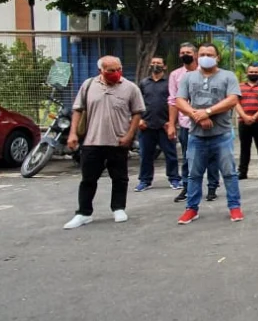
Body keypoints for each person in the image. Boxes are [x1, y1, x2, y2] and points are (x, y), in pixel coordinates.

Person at [63, 56, 145, 229]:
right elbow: (77, 110)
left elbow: (137, 112)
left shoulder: (130, 88)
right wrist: (73, 134)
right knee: (88, 179)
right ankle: (83, 213)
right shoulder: (88, 85)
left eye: (118, 69)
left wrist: (130, 135)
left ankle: (118, 208)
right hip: (92, 141)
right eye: (111, 70)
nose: (116, 73)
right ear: (101, 70)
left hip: (118, 141)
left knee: (120, 177)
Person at [174, 43, 244, 224]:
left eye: (210, 54)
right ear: (198, 57)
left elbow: (232, 100)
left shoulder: (228, 76)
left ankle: (235, 207)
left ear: (217, 57)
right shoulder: (188, 78)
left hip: (222, 134)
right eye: (203, 54)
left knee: (229, 173)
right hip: (196, 135)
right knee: (194, 175)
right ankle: (191, 209)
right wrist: (197, 116)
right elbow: (179, 101)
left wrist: (208, 112)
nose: (206, 56)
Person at [168, 43, 221, 203]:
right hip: (187, 124)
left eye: (188, 52)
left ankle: (212, 187)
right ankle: (187, 186)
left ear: (196, 55)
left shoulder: (208, 72)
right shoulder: (176, 75)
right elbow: (173, 100)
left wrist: (206, 115)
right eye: (182, 52)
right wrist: (172, 124)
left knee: (212, 156)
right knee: (187, 157)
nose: (185, 54)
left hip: (211, 122)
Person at [135, 56, 180, 192]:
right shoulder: (143, 83)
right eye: (153, 63)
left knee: (170, 154)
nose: (156, 65)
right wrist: (140, 120)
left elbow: (176, 102)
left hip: (165, 125)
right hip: (146, 125)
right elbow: (137, 103)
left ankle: (174, 179)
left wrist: (172, 122)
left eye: (159, 63)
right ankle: (145, 180)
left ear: (164, 66)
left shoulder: (169, 83)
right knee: (145, 155)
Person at [236, 63, 258, 181]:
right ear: (247, 73)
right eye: (251, 72)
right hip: (243, 122)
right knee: (244, 147)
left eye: (256, 72)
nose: (253, 74)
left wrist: (254, 117)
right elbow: (236, 103)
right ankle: (242, 172)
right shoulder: (239, 86)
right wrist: (244, 116)